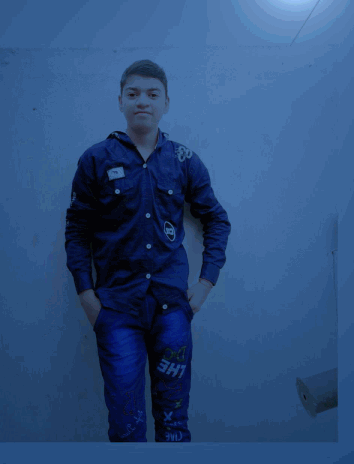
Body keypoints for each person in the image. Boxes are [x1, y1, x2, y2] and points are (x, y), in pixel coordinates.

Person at [65, 59, 231, 442]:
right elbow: (76, 230)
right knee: (126, 428)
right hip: (116, 311)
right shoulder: (96, 160)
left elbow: (216, 220)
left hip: (173, 311)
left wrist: (205, 284)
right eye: (134, 93)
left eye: (152, 94)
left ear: (166, 103)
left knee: (174, 425)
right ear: (121, 101)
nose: (143, 101)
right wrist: (86, 294)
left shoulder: (183, 161)